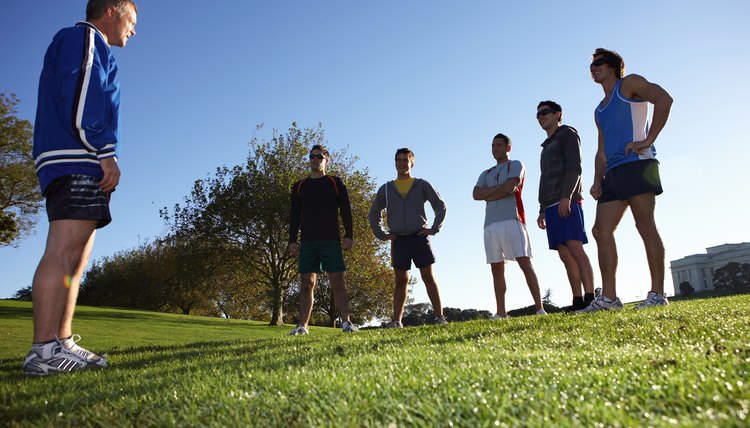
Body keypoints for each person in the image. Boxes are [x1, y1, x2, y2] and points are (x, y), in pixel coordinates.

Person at [23, 0, 138, 375]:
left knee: (77, 258)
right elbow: (81, 95)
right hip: (76, 156)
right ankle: (42, 351)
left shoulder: (97, 47)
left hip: (83, 160)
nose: (133, 30)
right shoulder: (84, 38)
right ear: (112, 11)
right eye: (131, 20)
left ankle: (61, 341)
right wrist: (105, 151)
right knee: (62, 251)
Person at [578, 48, 673, 313]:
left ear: (613, 66)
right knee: (601, 231)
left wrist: (649, 139)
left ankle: (657, 294)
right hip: (614, 173)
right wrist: (597, 180)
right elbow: (602, 150)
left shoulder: (629, 83)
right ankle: (609, 299)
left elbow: (664, 99)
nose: (593, 68)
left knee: (644, 224)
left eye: (598, 63)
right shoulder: (599, 110)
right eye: (591, 65)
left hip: (639, 164)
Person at [368, 148, 448, 328]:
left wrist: (434, 229)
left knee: (428, 277)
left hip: (420, 238)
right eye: (399, 160)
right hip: (399, 240)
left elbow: (441, 206)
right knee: (400, 281)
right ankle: (397, 321)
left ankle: (439, 317)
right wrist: (382, 234)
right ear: (395, 163)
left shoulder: (421, 184)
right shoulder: (387, 188)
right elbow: (374, 213)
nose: (402, 163)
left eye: (405, 160)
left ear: (412, 163)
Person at [287, 145, 359, 335]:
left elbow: (345, 211)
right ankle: (302, 326)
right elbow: (294, 215)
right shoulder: (299, 186)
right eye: (312, 156)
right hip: (308, 241)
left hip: (331, 240)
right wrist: (292, 240)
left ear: (326, 160)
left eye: (319, 156)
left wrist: (349, 235)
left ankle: (346, 323)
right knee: (306, 283)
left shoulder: (335, 183)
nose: (315, 159)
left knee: (337, 281)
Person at [473, 133, 546, 318]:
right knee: (496, 268)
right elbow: (476, 194)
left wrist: (488, 194)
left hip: (513, 219)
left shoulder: (515, 165)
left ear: (508, 147)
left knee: (525, 263)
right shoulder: (485, 173)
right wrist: (499, 190)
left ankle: (539, 309)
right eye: (493, 145)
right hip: (490, 224)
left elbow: (510, 187)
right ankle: (501, 313)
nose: (495, 148)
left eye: (499, 145)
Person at [536, 101, 596, 312]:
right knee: (564, 253)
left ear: (558, 114)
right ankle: (577, 300)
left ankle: (591, 298)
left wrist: (567, 197)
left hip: (567, 200)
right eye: (538, 115)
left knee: (575, 248)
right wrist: (542, 208)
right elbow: (544, 178)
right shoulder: (545, 147)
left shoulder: (567, 134)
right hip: (550, 204)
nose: (541, 117)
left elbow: (575, 167)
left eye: (545, 112)